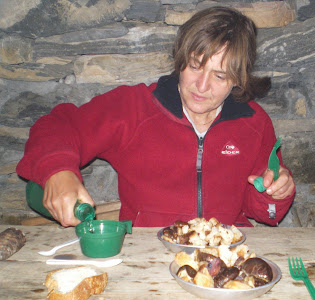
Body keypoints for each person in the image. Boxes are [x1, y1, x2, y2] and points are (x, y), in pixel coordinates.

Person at [17, 6, 295, 227]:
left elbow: (265, 213)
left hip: (225, 258)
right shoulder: (135, 108)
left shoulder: (255, 123)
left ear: (238, 80)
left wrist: (276, 192)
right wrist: (59, 171)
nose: (201, 86)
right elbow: (58, 125)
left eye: (220, 76)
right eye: (195, 66)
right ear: (180, 59)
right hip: (147, 257)